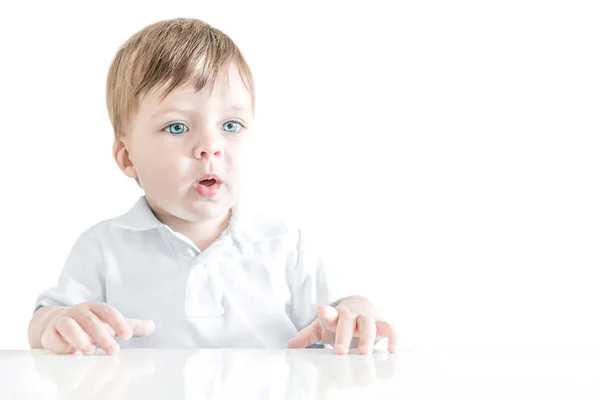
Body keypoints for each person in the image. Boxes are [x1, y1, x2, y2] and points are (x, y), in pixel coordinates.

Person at [27, 18, 397, 356]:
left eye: (231, 125)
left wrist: (355, 315)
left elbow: (340, 311)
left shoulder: (285, 245)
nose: (210, 146)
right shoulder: (104, 248)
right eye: (177, 127)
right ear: (127, 157)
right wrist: (56, 324)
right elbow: (44, 321)